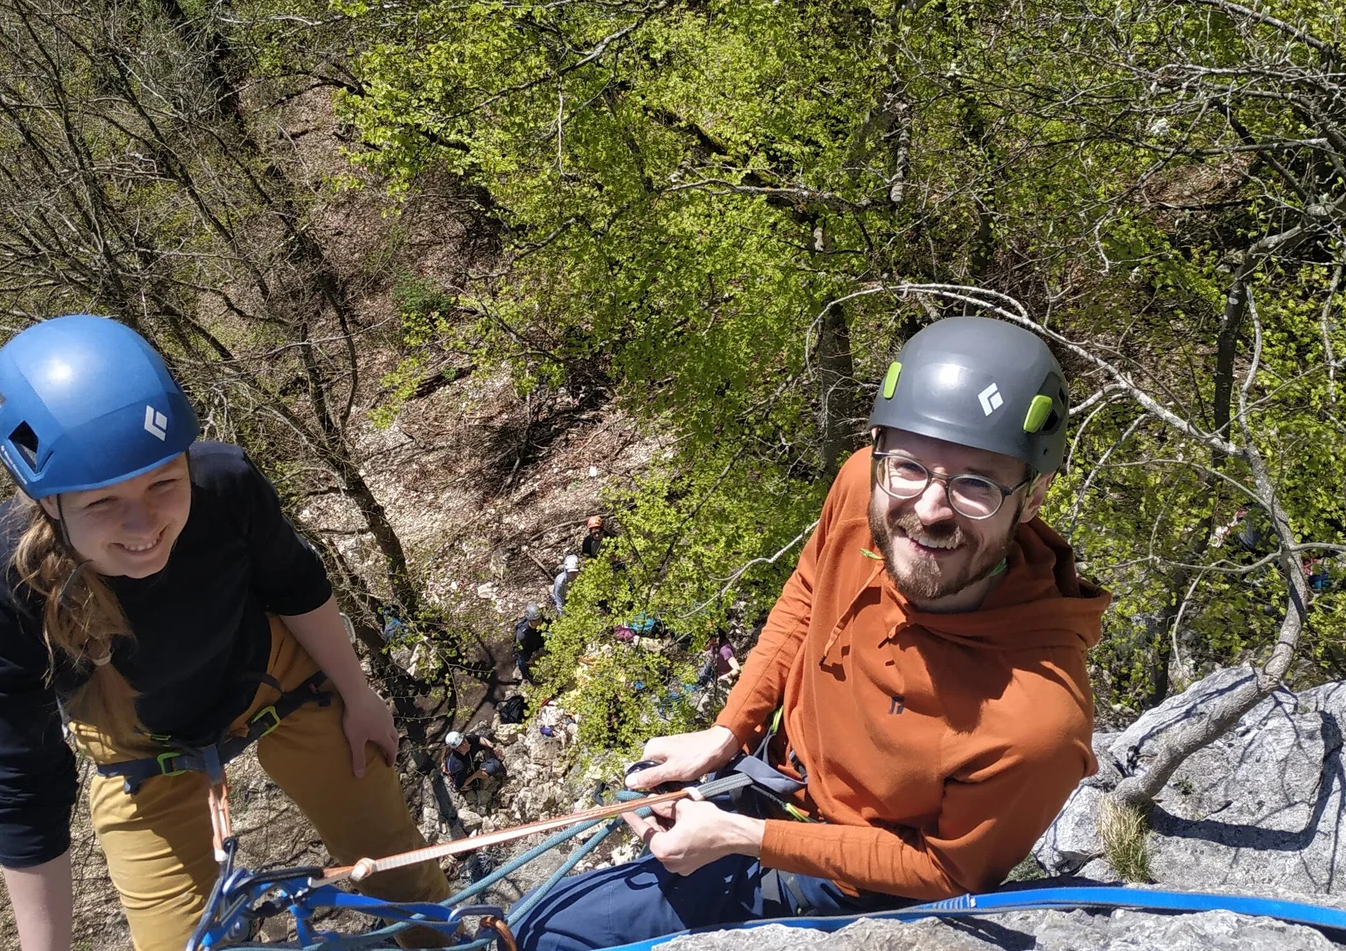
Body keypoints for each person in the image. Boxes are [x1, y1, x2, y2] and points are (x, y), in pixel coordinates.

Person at [511, 316, 1111, 951]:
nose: (930, 510)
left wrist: (741, 839)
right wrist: (729, 730)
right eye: (908, 466)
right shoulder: (862, 487)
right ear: (879, 449)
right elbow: (806, 591)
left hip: (845, 888)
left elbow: (945, 872)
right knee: (534, 920)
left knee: (548, 940)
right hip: (773, 780)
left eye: (975, 484)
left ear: (1034, 494)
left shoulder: (1036, 721)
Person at [0, 315, 449, 951]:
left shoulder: (225, 486)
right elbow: (27, 780)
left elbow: (296, 586)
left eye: (164, 483)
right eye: (102, 502)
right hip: (138, 757)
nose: (145, 524)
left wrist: (358, 695)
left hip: (278, 684)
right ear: (47, 501)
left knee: (406, 881)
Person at [442, 730, 506, 795]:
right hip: (468, 774)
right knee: (495, 765)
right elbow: (458, 785)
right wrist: (475, 775)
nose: (465, 744)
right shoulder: (459, 765)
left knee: (485, 736)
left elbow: (478, 739)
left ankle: (488, 756)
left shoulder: (467, 741)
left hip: (470, 762)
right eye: (460, 745)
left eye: (463, 740)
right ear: (456, 749)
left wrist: (493, 747)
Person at [514, 604, 548, 682]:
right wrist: (527, 659)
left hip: (537, 643)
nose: (538, 622)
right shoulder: (522, 634)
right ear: (530, 620)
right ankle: (526, 677)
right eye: (535, 620)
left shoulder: (544, 621)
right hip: (526, 649)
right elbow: (520, 649)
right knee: (522, 661)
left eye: (539, 619)